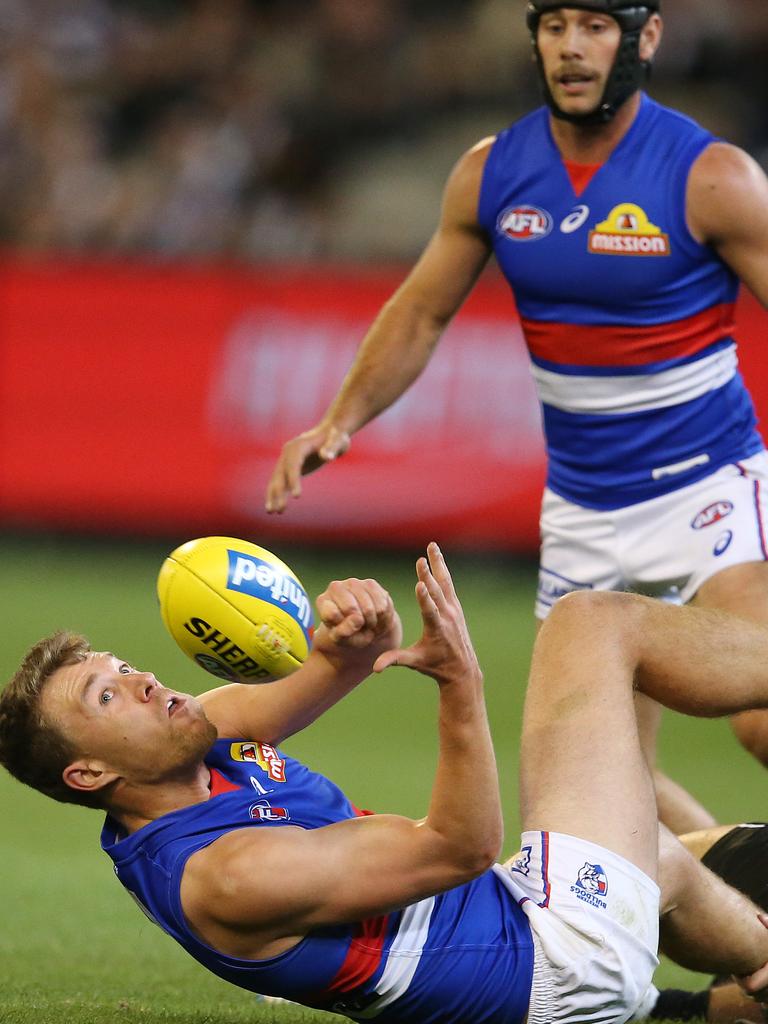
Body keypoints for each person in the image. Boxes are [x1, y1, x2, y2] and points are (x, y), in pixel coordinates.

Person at [264, 0, 768, 834]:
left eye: (597, 26)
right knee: (592, 791)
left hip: (706, 488)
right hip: (579, 514)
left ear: (646, 39)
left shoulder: (711, 177)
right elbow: (423, 311)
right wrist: (340, 418)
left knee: (755, 718)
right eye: (556, 25)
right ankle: (749, 944)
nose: (572, 47)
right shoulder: (491, 173)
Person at [3, 543, 768, 1024]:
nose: (138, 681)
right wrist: (460, 683)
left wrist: (353, 635)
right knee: (593, 625)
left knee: (662, 860)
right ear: (89, 773)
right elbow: (460, 846)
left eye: (123, 668)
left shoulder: (193, 742)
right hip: (548, 967)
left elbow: (324, 671)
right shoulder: (223, 877)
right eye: (105, 696)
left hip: (514, 920)